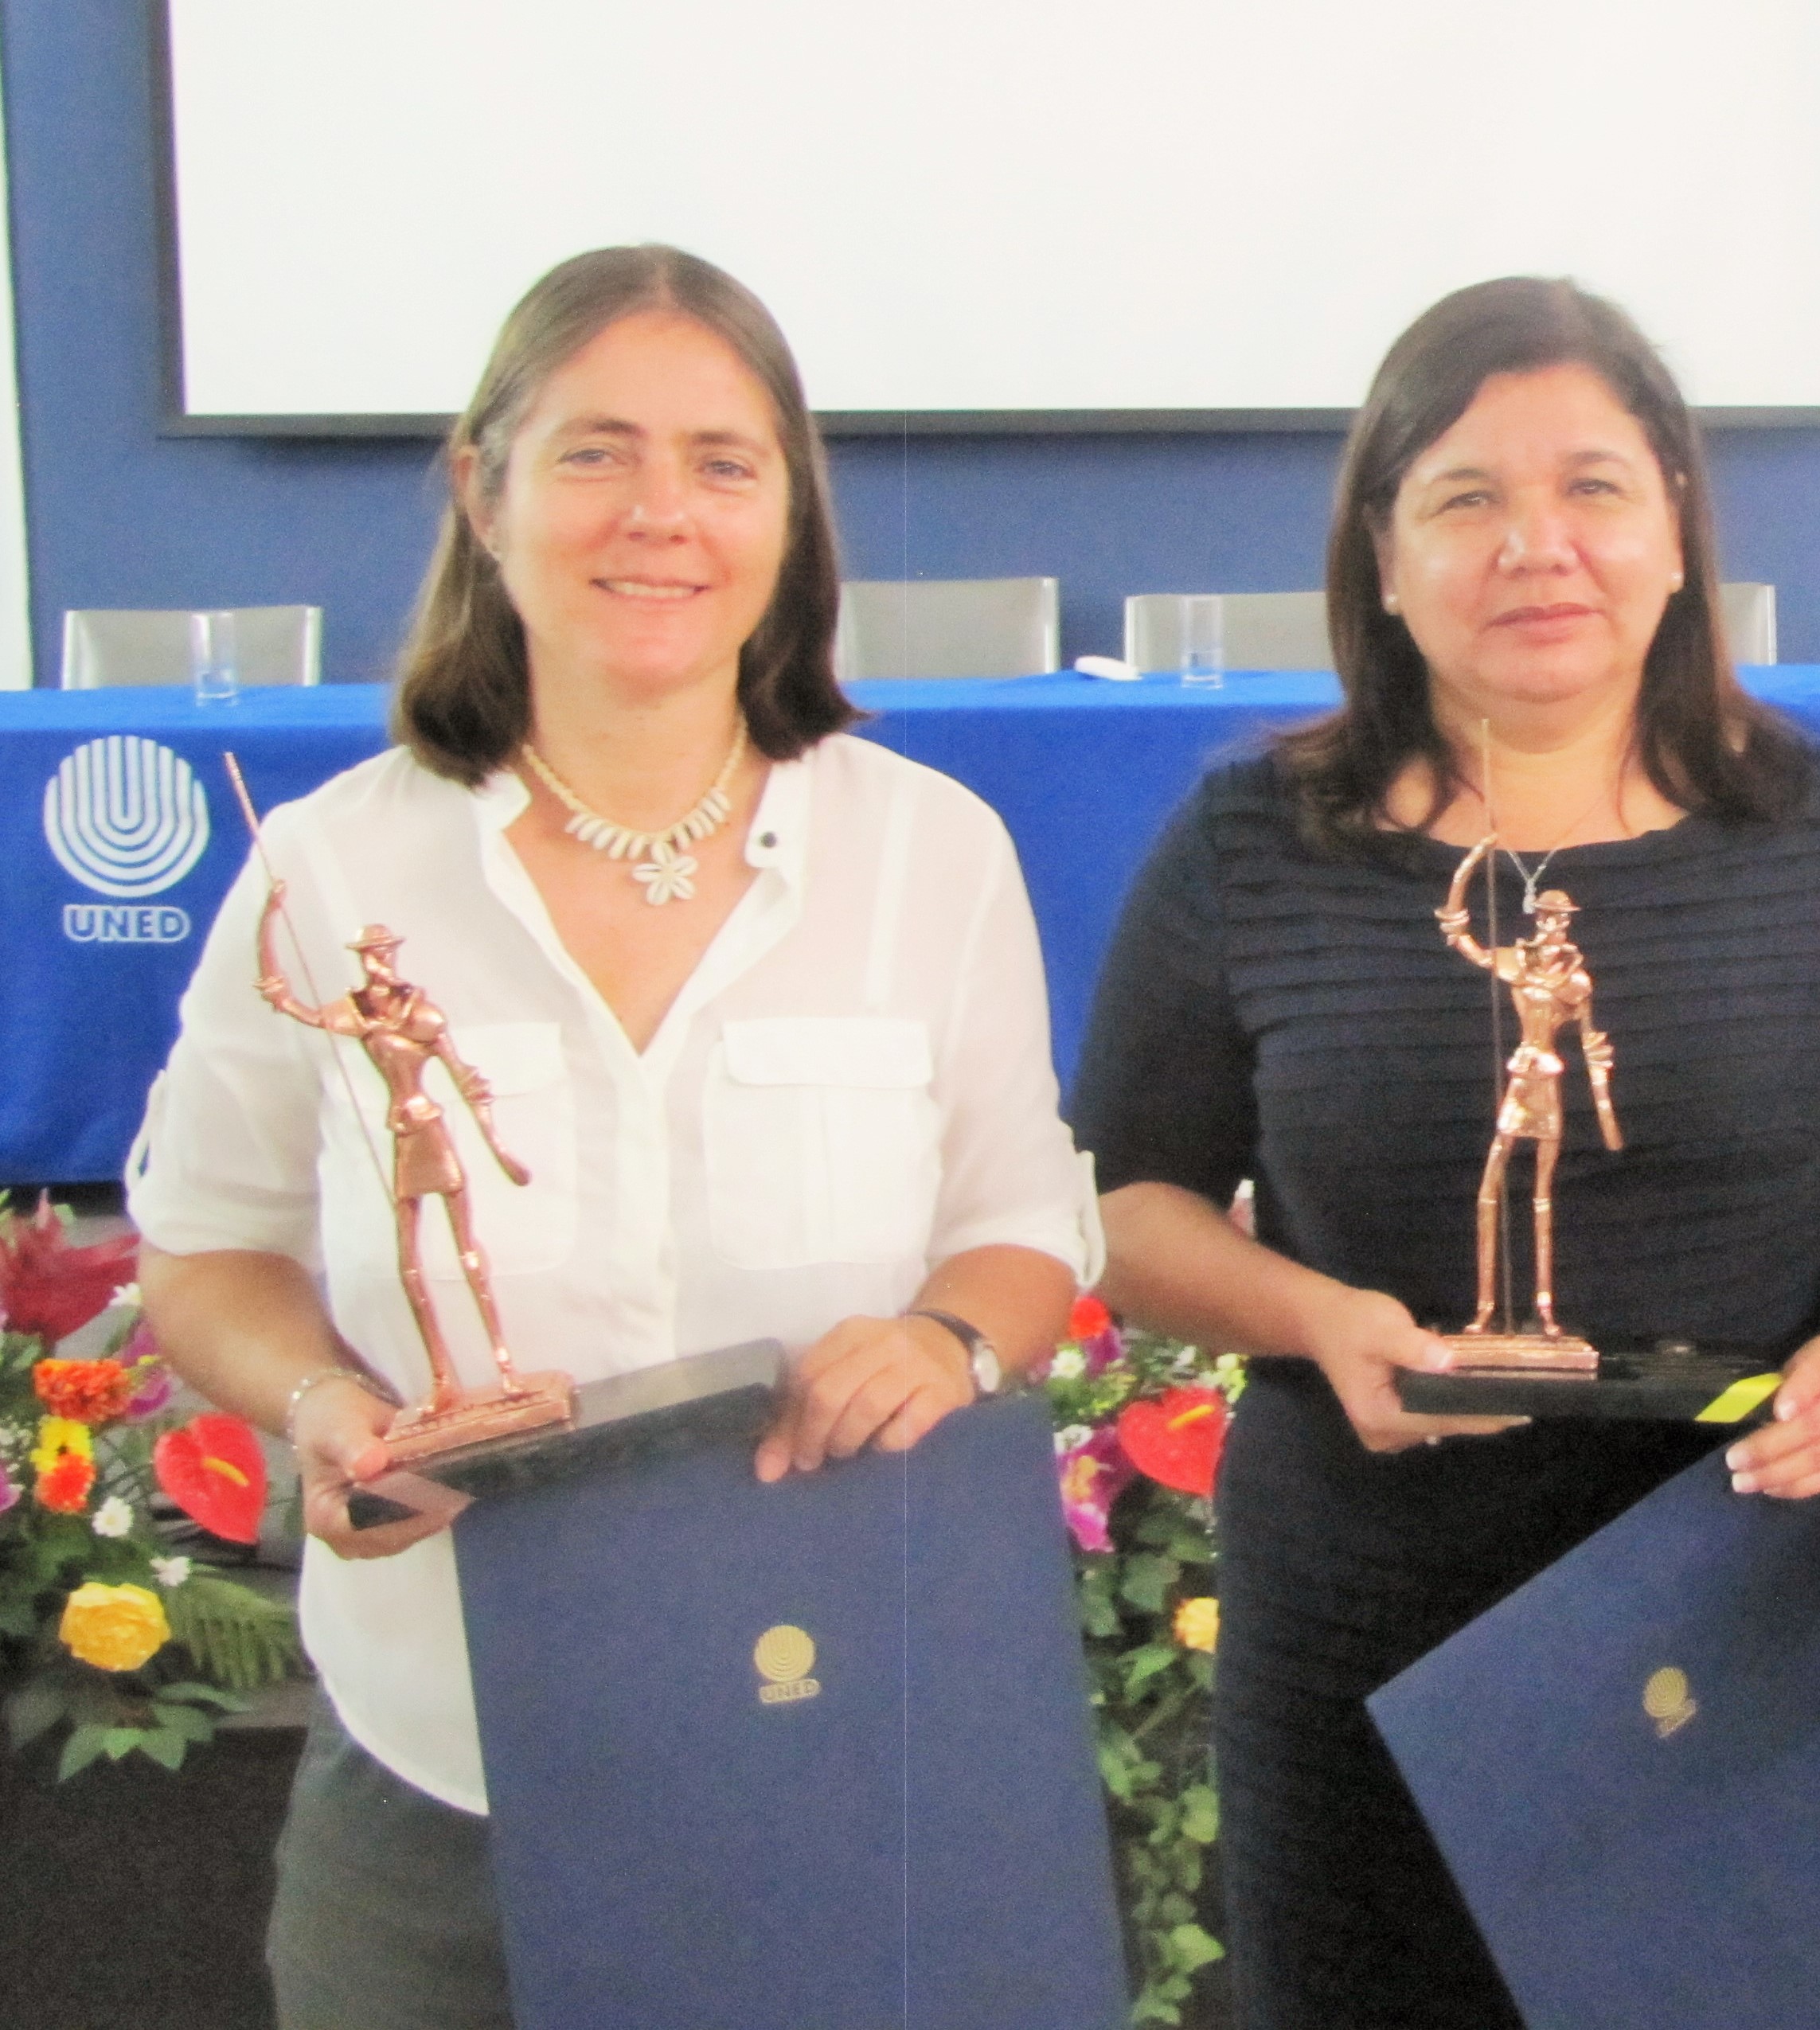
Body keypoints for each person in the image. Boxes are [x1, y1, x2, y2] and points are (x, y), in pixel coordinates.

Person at [128, 246, 1096, 2030]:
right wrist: (322, 1406)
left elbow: (1029, 1224)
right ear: (481, 492)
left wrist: (951, 1335)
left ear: (789, 516)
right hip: (442, 1793)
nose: (662, 512)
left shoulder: (932, 853)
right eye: (596, 453)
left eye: (724, 463)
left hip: (841, 1748)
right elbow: (204, 1248)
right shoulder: (328, 876)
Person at [1074, 275, 1820, 2027]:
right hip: (1363, 1619)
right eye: (1467, 499)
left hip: (1730, 1601)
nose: (1538, 546)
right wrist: (1310, 1318)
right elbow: (1124, 1206)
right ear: (1383, 550)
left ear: (1672, 535)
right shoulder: (1250, 846)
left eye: (1592, 488)